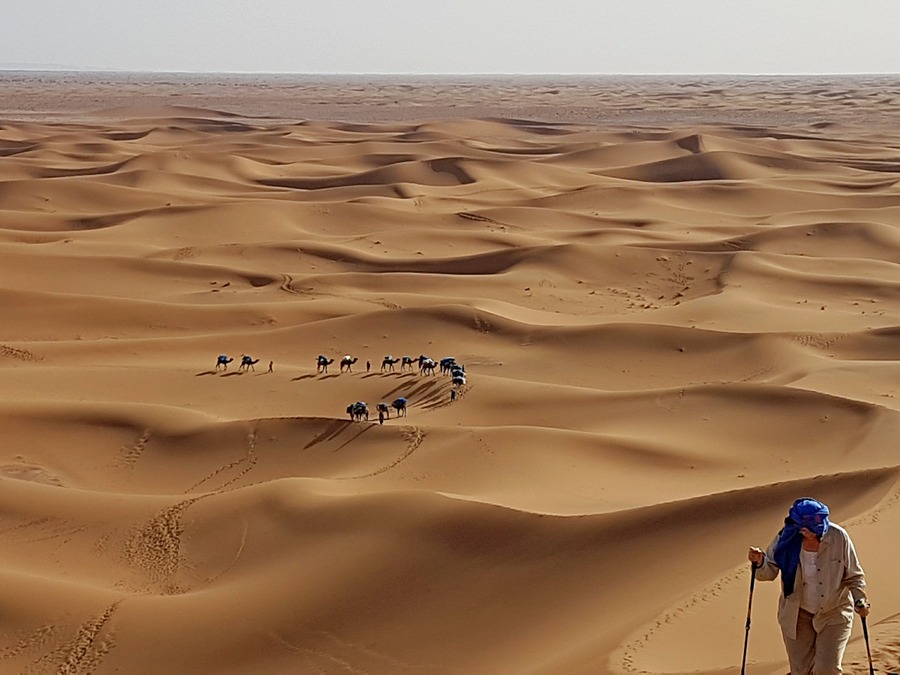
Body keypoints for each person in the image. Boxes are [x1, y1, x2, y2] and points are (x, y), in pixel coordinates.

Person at [747, 497, 869, 674]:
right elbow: (769, 571)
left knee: (827, 669)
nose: (807, 532)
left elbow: (854, 575)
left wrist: (860, 600)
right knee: (801, 671)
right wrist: (759, 563)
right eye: (804, 528)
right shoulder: (786, 539)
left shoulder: (838, 537)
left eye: (811, 528)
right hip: (797, 615)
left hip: (833, 613)